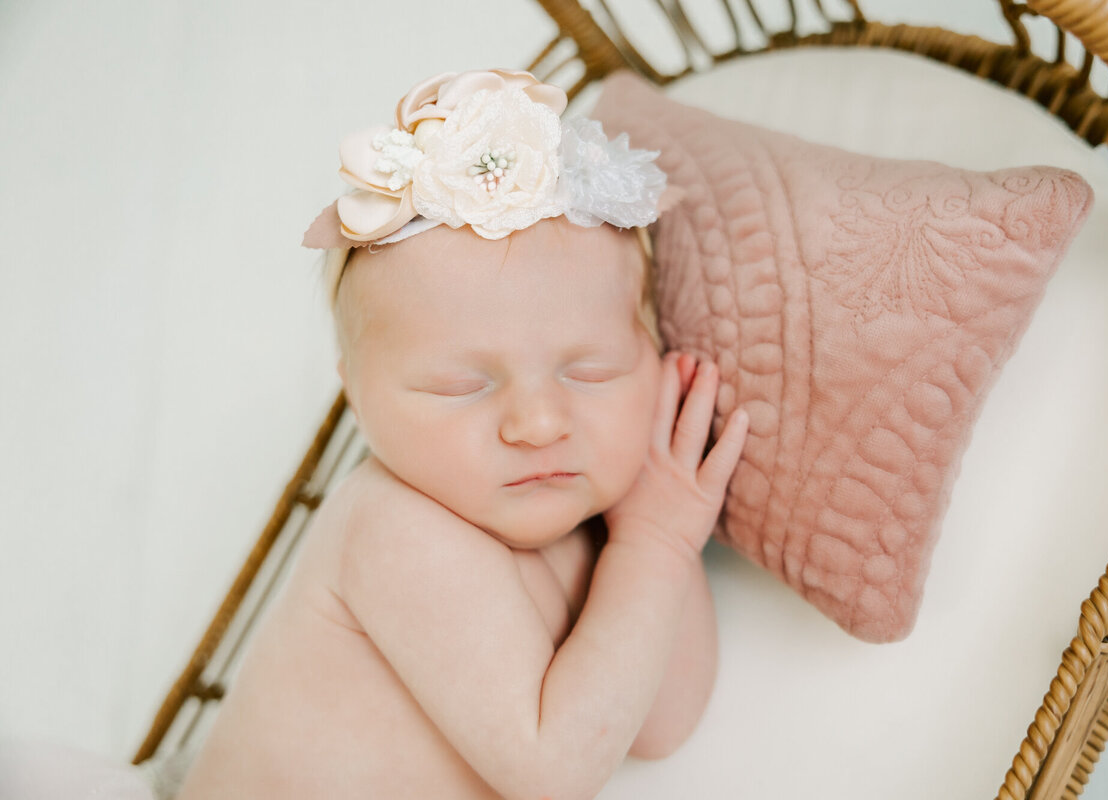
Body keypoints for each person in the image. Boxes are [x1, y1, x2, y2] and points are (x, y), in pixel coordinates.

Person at [176, 68, 749, 800]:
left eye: (592, 372)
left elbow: (660, 722)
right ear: (356, 393)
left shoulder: (592, 528)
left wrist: (660, 539)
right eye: (462, 386)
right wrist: (653, 547)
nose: (539, 423)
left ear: (654, 358)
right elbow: (559, 770)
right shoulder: (393, 529)